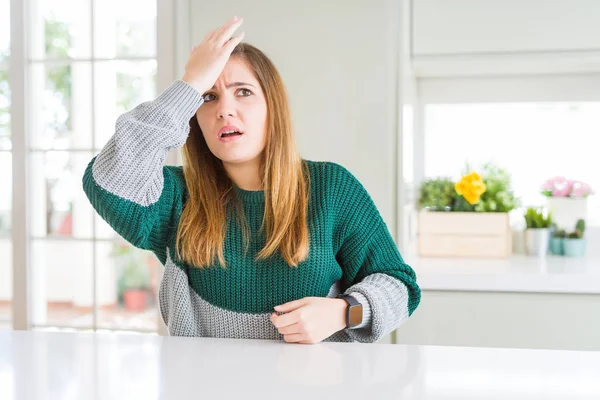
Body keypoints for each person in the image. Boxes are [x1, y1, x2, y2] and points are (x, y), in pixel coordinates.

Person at [82, 16, 420, 344]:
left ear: (272, 107)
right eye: (208, 97)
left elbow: (398, 286)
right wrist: (190, 83)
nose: (224, 110)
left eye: (243, 92)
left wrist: (344, 312)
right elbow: (108, 179)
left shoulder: (331, 187)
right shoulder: (174, 197)